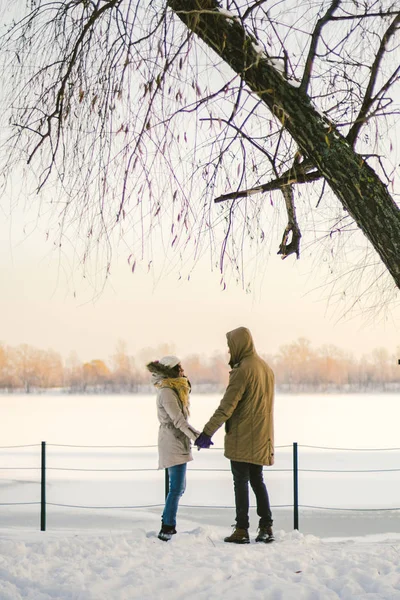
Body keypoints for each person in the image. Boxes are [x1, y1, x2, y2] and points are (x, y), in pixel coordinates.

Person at [195, 327, 275, 544]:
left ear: (239, 345)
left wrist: (207, 432)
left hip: (243, 436)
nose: (229, 352)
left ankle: (241, 529)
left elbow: (227, 406)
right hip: (261, 434)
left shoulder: (243, 371)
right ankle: (266, 526)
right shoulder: (266, 368)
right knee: (257, 480)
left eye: (230, 347)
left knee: (240, 481)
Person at [146, 355, 200, 542]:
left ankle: (167, 521)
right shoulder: (167, 392)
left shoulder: (175, 389)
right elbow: (178, 420)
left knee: (179, 487)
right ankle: (167, 527)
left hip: (178, 440)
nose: (183, 370)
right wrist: (197, 437)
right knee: (176, 487)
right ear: (172, 370)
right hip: (172, 441)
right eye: (179, 367)